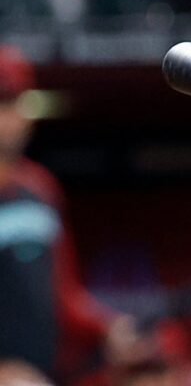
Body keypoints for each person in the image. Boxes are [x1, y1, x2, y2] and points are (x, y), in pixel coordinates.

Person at [0, 46, 150, 385]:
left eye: (14, 101)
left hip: (46, 373)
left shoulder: (39, 188)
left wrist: (109, 328)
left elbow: (63, 296)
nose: (9, 118)